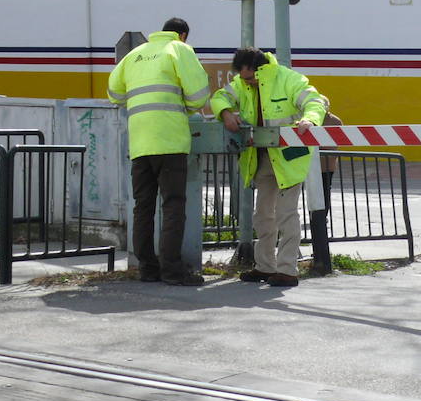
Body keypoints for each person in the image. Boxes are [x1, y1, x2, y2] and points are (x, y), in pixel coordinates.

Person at [210, 47, 327, 287]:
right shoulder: (241, 84)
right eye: (244, 79)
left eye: (251, 79)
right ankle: (264, 266)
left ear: (261, 70)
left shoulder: (288, 79)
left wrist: (310, 119)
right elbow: (220, 96)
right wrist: (225, 112)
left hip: (288, 158)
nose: (247, 83)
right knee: (263, 215)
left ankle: (287, 270)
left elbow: (314, 100)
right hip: (261, 157)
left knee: (286, 213)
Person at [107, 17, 210, 286]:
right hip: (170, 140)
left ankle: (147, 268)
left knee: (143, 207)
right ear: (183, 34)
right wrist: (184, 106)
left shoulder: (134, 54)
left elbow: (114, 94)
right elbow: (199, 94)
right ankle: (172, 271)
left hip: (140, 142)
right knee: (173, 205)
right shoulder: (179, 49)